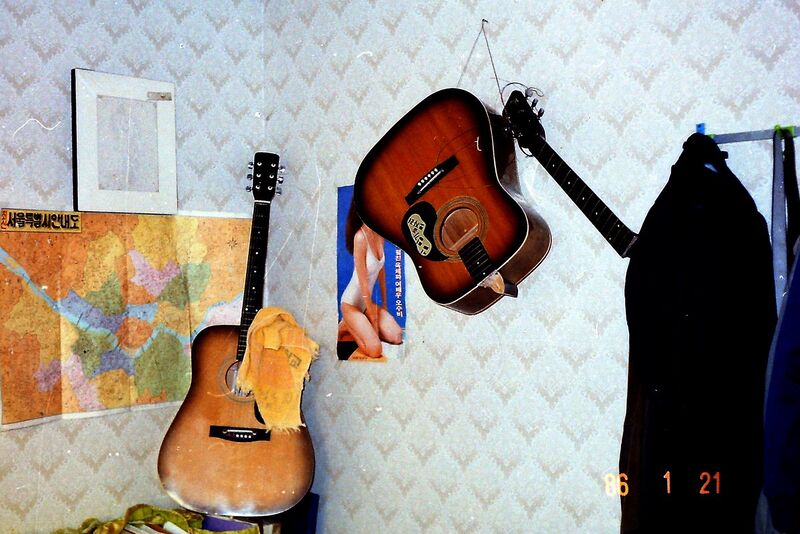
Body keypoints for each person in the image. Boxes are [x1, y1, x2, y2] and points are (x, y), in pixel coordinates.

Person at [338, 200, 402, 359]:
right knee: (375, 350)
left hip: (365, 305)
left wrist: (385, 304)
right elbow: (362, 281)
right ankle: (347, 324)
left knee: (396, 336)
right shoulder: (360, 237)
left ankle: (357, 323)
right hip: (351, 304)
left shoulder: (379, 235)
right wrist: (372, 315)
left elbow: (381, 271)